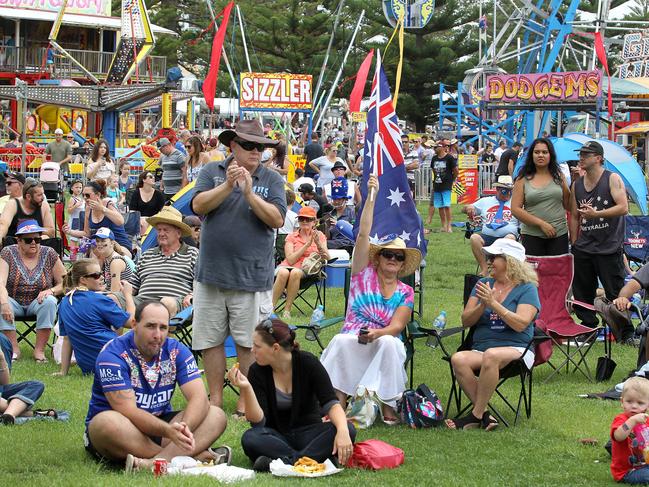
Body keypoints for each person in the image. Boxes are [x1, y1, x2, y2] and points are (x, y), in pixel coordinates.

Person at [191, 119, 286, 411]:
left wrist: (248, 193)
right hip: (211, 274)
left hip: (251, 276)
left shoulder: (271, 180)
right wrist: (228, 185)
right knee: (211, 341)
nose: (256, 151)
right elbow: (198, 206)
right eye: (249, 145)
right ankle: (216, 400)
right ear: (233, 146)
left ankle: (247, 402)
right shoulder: (212, 171)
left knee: (249, 344)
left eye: (260, 146)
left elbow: (277, 219)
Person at [83, 301, 230, 470]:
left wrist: (183, 430)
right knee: (105, 423)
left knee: (216, 415)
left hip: (160, 425)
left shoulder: (176, 350)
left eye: (163, 328)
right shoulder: (112, 355)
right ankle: (189, 457)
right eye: (151, 326)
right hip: (123, 428)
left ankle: (156, 462)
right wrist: (169, 432)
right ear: (134, 325)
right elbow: (128, 411)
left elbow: (199, 398)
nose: (158, 335)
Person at [320, 175, 419, 422]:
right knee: (341, 341)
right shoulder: (362, 274)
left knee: (389, 343)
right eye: (388, 254)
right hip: (354, 335)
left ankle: (388, 407)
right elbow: (363, 236)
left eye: (398, 257)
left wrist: (376, 333)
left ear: (403, 263)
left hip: (383, 339)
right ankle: (338, 405)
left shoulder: (406, 292)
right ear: (378, 258)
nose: (393, 260)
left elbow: (397, 327)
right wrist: (370, 199)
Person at [226, 319, 355, 472]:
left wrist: (343, 431)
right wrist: (246, 388)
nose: (252, 350)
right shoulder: (257, 371)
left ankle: (285, 462)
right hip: (276, 437)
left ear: (275, 348)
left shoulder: (308, 363)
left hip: (309, 432)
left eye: (257, 346)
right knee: (250, 438)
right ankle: (312, 459)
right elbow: (258, 423)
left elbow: (331, 403)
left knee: (347, 428)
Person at [446, 238, 540, 431]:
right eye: (488, 256)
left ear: (510, 261)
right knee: (458, 359)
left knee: (492, 355)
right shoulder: (483, 284)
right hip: (481, 348)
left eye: (494, 257)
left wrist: (494, 304)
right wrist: (482, 305)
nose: (488, 261)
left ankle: (475, 415)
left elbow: (521, 324)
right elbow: (466, 321)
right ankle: (485, 415)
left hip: (518, 349)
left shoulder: (527, 288)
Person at [568, 141, 631, 341]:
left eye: (586, 154)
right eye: (581, 154)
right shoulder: (577, 184)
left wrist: (597, 214)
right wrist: (575, 243)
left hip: (609, 246)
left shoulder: (612, 178)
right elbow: (575, 216)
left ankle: (625, 331)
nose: (581, 158)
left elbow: (623, 207)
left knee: (616, 292)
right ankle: (588, 328)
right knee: (582, 292)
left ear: (598, 158)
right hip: (584, 247)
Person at [0, 220, 66, 362]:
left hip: (38, 301)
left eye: (37, 239)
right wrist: (5, 303)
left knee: (49, 301)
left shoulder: (49, 253)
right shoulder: (8, 252)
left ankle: (39, 351)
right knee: (0, 302)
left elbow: (65, 283)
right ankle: (13, 350)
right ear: (19, 241)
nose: (34, 243)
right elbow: (1, 282)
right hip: (13, 300)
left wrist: (51, 291)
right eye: (28, 240)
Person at [55, 259, 134, 376]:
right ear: (83, 280)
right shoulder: (99, 300)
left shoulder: (64, 303)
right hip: (117, 360)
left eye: (101, 273)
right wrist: (128, 295)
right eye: (96, 275)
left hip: (90, 368)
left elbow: (67, 339)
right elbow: (132, 323)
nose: (102, 277)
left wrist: (63, 372)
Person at [124, 207, 196, 317]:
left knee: (166, 303)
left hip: (176, 303)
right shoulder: (147, 255)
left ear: (178, 233)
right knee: (111, 299)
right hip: (142, 302)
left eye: (166, 230)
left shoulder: (192, 254)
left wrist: (192, 295)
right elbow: (133, 285)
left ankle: (157, 333)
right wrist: (124, 289)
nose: (161, 233)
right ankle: (112, 335)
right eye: (159, 230)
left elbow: (201, 284)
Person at [511, 138, 570, 256]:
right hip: (532, 235)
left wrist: (575, 183)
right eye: (537, 152)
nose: (540, 155)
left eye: (544, 152)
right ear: (531, 155)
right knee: (534, 274)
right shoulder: (522, 179)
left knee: (557, 273)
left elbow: (568, 204)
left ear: (550, 155)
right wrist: (541, 224)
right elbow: (515, 209)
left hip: (559, 234)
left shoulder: (559, 176)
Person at [272, 206, 329, 320]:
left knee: (295, 273)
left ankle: (287, 309)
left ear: (314, 221)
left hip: (307, 270)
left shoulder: (320, 236)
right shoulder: (291, 236)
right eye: (301, 219)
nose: (304, 221)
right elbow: (291, 260)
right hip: (287, 266)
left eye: (308, 219)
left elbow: (327, 257)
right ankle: (270, 309)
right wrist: (307, 245)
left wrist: (318, 244)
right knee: (283, 272)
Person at [462, 176, 519, 276]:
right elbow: (464, 209)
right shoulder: (486, 201)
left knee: (509, 238)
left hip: (507, 236)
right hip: (487, 236)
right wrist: (469, 207)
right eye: (505, 191)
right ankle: (485, 270)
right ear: (497, 189)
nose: (508, 193)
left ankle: (503, 271)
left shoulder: (516, 202)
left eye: (510, 190)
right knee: (474, 237)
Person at [64, 180, 132, 256]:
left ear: (98, 195)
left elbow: (120, 221)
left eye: (87, 195)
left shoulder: (107, 203)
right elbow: (86, 233)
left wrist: (102, 209)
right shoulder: (88, 209)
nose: (85, 198)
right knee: (95, 252)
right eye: (83, 195)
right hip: (101, 246)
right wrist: (69, 231)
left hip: (120, 244)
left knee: (101, 253)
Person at [610, 377, 649, 484]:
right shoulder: (621, 420)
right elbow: (618, 436)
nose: (634, 406)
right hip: (627, 471)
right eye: (629, 401)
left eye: (640, 403)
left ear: (648, 405)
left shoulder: (646, 420)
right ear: (622, 402)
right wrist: (632, 421)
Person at [0, 334, 45, 424]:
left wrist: (1, 359)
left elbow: (4, 383)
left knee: (36, 385)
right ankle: (16, 413)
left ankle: (8, 415)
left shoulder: (2, 341)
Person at [91, 227, 136, 292]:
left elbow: (115, 291)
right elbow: (109, 286)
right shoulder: (108, 258)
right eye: (98, 241)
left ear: (112, 243)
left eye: (103, 240)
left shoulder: (115, 261)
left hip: (123, 298)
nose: (99, 244)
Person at [430, 140, 458, 233]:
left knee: (447, 205)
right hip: (437, 184)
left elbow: (455, 170)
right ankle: (443, 225)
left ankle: (449, 226)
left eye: (436, 147)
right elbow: (433, 169)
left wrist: (452, 179)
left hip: (446, 184)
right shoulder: (434, 158)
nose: (434, 149)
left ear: (442, 147)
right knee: (440, 206)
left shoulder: (449, 158)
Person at [66, 179, 85, 259]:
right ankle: (72, 257)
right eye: (76, 187)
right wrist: (75, 206)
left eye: (80, 187)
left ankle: (81, 257)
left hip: (81, 221)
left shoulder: (81, 198)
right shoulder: (72, 199)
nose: (79, 189)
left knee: (82, 239)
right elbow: (69, 211)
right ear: (72, 188)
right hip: (75, 221)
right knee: (74, 240)